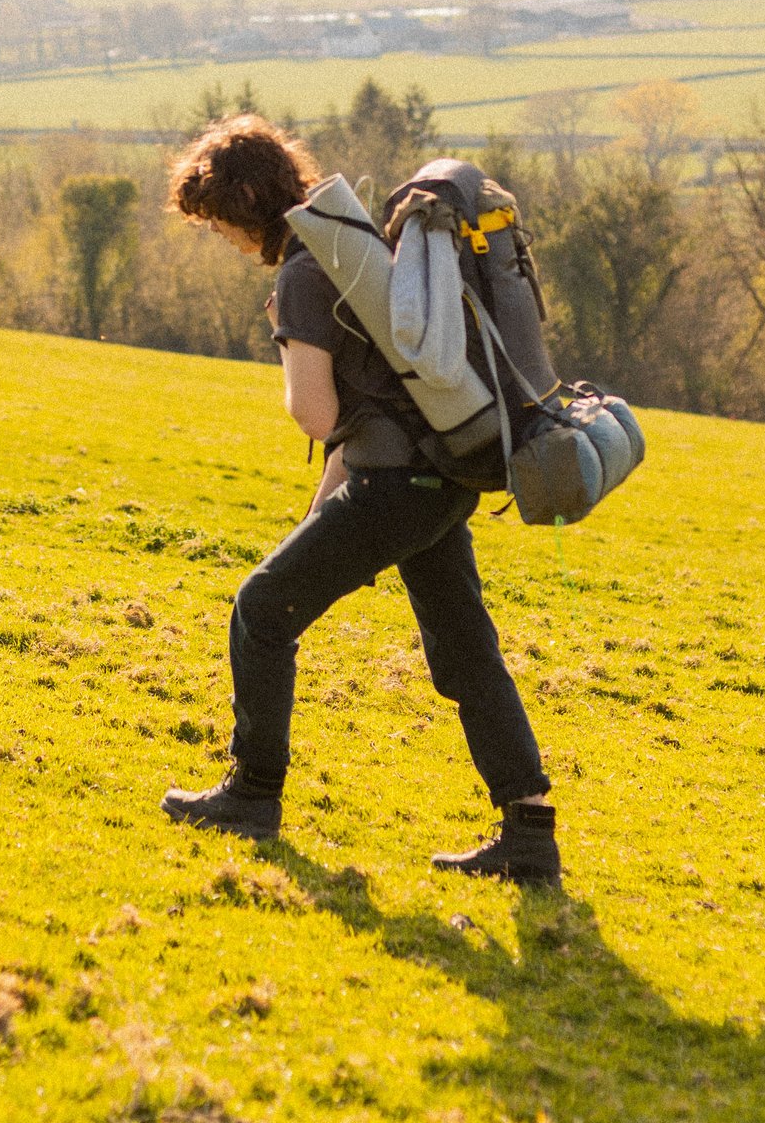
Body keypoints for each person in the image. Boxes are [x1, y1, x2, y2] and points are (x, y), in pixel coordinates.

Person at [155, 114, 560, 884]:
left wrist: (285, 334)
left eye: (218, 224)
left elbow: (316, 413)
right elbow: (372, 411)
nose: (225, 240)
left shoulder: (303, 273)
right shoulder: (351, 239)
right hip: (443, 479)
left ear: (242, 205)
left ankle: (251, 794)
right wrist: (319, 520)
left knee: (259, 610)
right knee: (467, 650)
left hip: (394, 487)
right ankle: (529, 833)